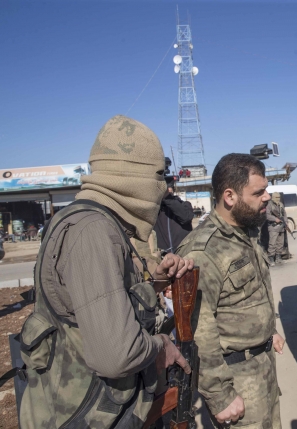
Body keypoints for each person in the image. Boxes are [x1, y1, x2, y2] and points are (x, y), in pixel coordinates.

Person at [20, 115, 194, 428]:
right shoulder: (93, 231)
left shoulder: (93, 221)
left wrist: (155, 282)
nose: (162, 187)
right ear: (133, 175)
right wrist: (161, 346)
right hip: (87, 416)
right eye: (158, 175)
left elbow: (101, 303)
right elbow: (118, 355)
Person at [176, 153, 285, 429]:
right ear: (230, 196)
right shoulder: (204, 250)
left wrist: (267, 331)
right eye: (258, 192)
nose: (267, 197)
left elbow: (246, 297)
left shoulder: (244, 233)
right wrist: (220, 395)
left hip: (262, 370)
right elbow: (197, 328)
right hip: (237, 380)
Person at [153, 178, 194, 255]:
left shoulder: (185, 205)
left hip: (185, 255)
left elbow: (186, 217)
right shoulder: (156, 209)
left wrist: (167, 197)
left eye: (167, 187)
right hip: (164, 258)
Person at [266, 192, 287, 266]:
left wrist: (286, 223)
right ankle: (271, 259)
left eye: (279, 197)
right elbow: (267, 215)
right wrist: (275, 219)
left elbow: (284, 215)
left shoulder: (281, 205)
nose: (278, 199)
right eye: (276, 197)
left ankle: (278, 258)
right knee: (272, 243)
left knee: (280, 243)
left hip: (281, 226)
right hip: (273, 227)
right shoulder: (269, 205)